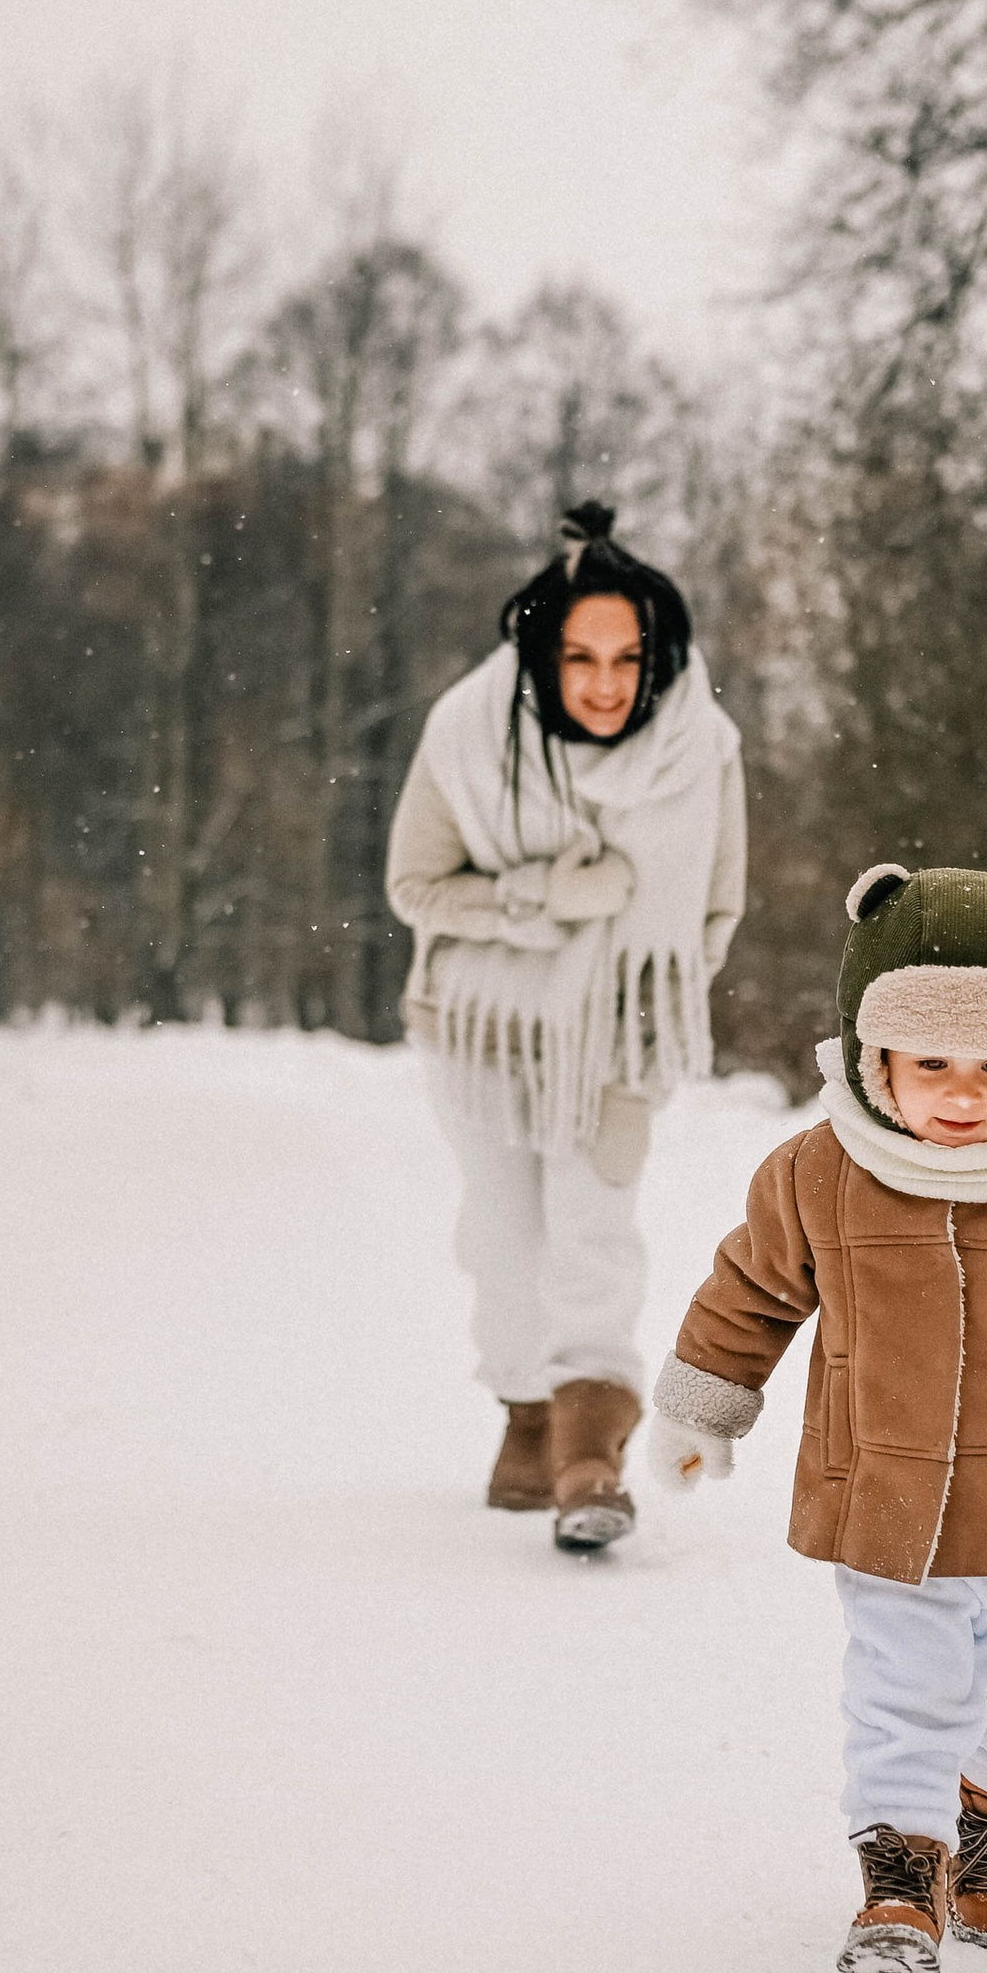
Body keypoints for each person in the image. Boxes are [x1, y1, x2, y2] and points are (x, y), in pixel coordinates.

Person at [644, 861, 987, 1973]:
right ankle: (899, 1877)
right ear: (870, 1057)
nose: (963, 1093)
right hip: (888, 1494)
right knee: (905, 1687)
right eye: (931, 1063)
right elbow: (752, 1289)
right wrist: (707, 1399)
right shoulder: (819, 1174)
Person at [385, 500, 746, 1552]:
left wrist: (627, 1002)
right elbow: (416, 886)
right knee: (504, 1242)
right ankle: (525, 1412)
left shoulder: (701, 745)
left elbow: (718, 905)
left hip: (624, 1034)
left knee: (593, 1233)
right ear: (539, 650)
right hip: (483, 1030)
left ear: (657, 656)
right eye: (578, 656)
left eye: (627, 658)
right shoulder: (466, 732)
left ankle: (591, 1446)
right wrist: (546, 899)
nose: (603, 682)